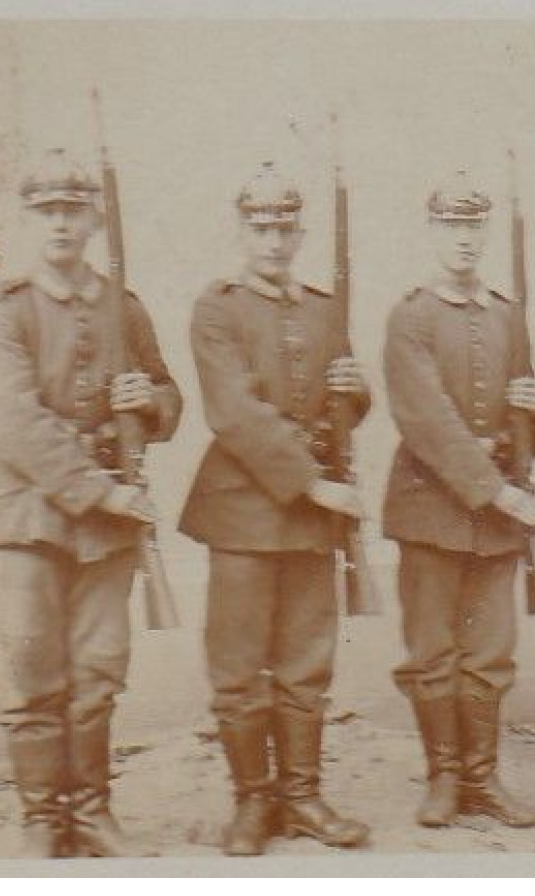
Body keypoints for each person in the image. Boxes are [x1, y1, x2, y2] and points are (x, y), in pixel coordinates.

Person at [0, 148, 183, 857]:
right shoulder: (7, 309)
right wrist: (103, 490)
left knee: (97, 671)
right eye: (45, 212)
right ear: (28, 221)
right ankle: (42, 818)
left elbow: (169, 392)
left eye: (72, 210)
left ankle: (90, 812)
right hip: (29, 515)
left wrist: (147, 403)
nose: (60, 224)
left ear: (94, 218)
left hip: (108, 527)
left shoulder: (124, 306)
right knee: (33, 669)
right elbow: (14, 423)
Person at [178, 162, 372, 856]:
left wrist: (355, 391)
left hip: (308, 518)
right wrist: (313, 483)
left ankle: (302, 795)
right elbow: (234, 411)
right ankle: (251, 803)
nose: (272, 240)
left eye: (284, 227)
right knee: (238, 667)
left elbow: (337, 406)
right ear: (240, 229)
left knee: (306, 663)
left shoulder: (323, 308)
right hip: (241, 512)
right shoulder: (217, 307)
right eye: (259, 227)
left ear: (300, 231)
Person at [381, 170, 535, 829]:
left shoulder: (507, 314)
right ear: (432, 231)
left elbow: (525, 404)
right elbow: (425, 420)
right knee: (432, 652)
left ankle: (483, 777)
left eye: (473, 226)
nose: (463, 239)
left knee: (489, 652)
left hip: (498, 514)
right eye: (450, 226)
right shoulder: (411, 318)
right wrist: (496, 491)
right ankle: (444, 778)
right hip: (432, 510)